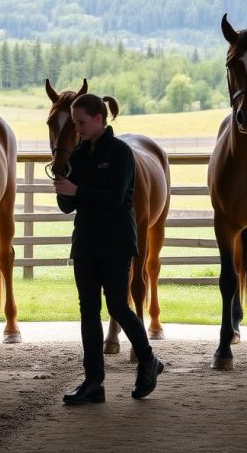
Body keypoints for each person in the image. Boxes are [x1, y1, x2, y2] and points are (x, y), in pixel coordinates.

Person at [54, 93, 164, 404]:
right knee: (88, 311)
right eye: (75, 123)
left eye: (82, 122)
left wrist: (78, 189)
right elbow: (68, 206)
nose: (77, 129)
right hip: (86, 242)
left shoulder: (120, 153)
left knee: (117, 306)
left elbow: (116, 199)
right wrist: (63, 187)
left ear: (99, 119)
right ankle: (94, 381)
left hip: (116, 241)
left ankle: (147, 359)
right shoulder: (77, 155)